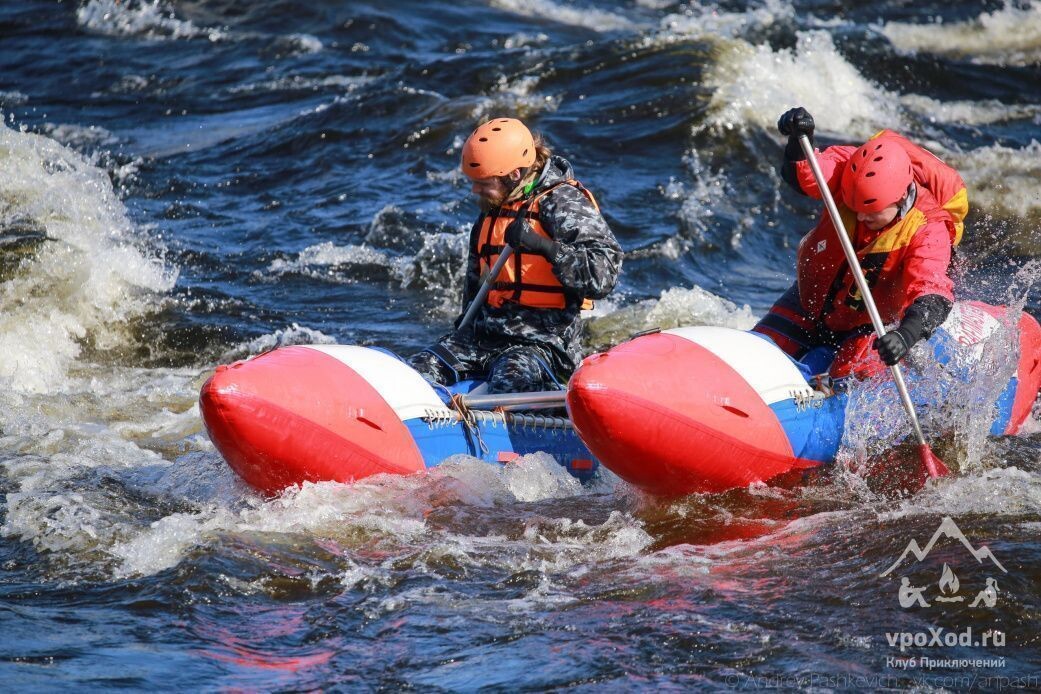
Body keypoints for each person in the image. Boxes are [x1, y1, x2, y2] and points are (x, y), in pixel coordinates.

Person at [752, 107, 969, 381]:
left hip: (869, 326)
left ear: (901, 198)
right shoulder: (849, 168)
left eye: (871, 212)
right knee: (756, 353)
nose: (861, 217)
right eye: (854, 209)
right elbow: (805, 174)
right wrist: (798, 139)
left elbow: (932, 292)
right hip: (809, 303)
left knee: (847, 380)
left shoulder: (928, 228)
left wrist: (905, 336)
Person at [409, 117, 622, 393]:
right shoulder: (494, 204)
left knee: (509, 384)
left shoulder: (562, 203)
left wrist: (544, 247)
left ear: (514, 175)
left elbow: (604, 275)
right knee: (416, 372)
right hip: (482, 337)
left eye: (483, 183)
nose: (474, 190)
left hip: (542, 343)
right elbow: (475, 283)